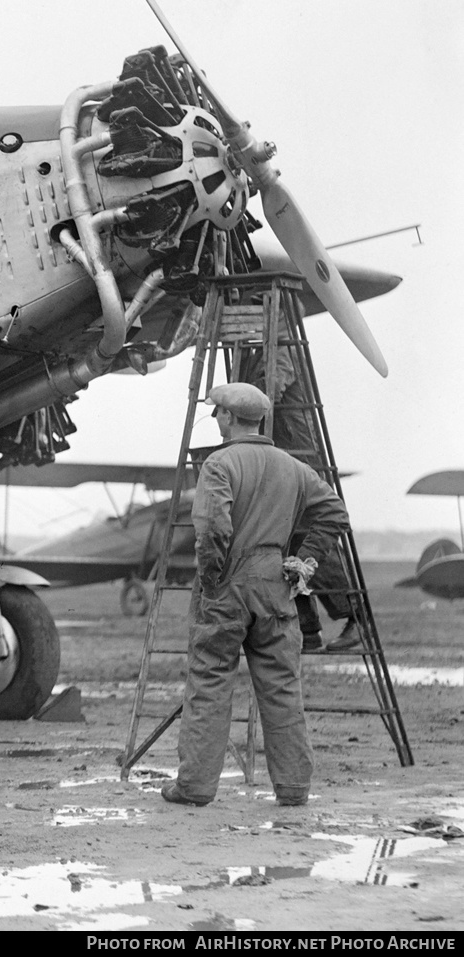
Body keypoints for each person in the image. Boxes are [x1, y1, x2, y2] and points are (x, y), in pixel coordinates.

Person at [162, 382, 350, 808]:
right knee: (283, 686)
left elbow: (213, 528)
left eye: (218, 413)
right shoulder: (293, 467)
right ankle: (293, 787)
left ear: (227, 417)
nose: (218, 419)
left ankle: (194, 787)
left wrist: (212, 578)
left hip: (227, 584)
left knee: (210, 682)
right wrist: (303, 561)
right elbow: (335, 513)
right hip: (275, 587)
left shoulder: (219, 464)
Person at [236, 304, 359, 653]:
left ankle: (354, 616)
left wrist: (236, 402)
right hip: (284, 454)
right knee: (284, 543)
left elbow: (268, 393)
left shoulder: (283, 348)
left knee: (307, 538)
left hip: (298, 455)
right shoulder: (266, 349)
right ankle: (308, 630)